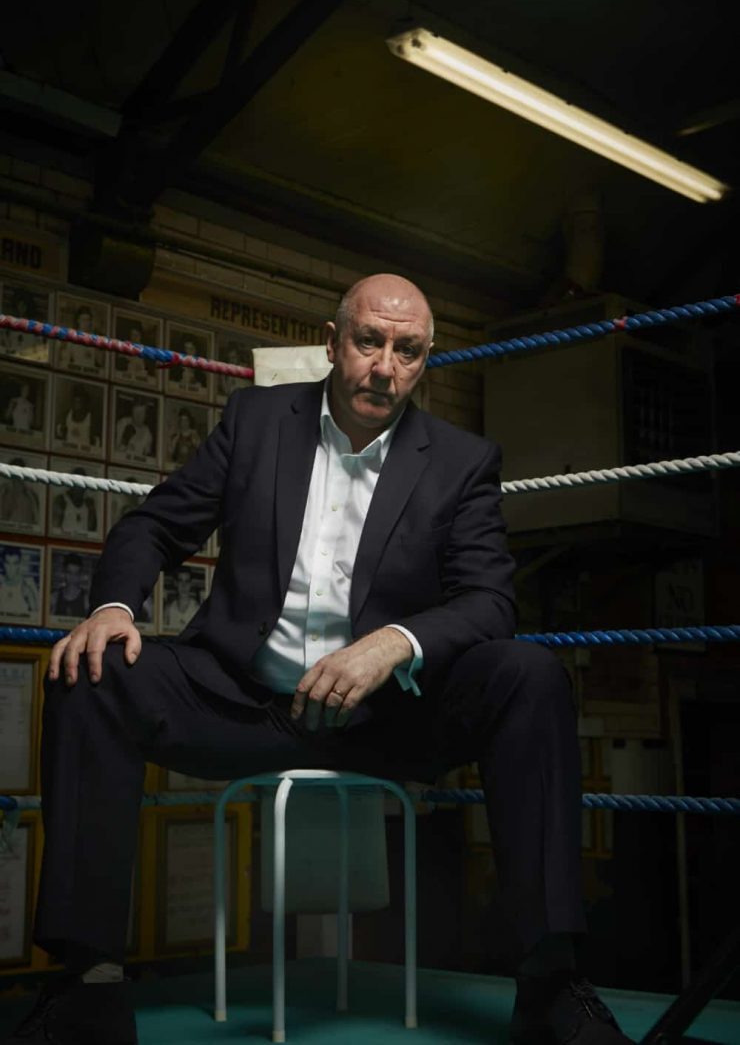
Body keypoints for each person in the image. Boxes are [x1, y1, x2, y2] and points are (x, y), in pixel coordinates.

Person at [6, 274, 632, 1045]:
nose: (385, 366)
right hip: (241, 699)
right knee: (90, 671)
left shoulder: (461, 461)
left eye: (407, 351)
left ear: (424, 361)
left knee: (530, 675)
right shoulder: (257, 419)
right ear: (333, 344)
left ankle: (551, 983)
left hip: (388, 716)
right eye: (370, 342)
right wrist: (112, 609)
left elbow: (489, 601)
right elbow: (155, 527)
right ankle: (87, 988)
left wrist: (393, 643)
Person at [51, 471, 98, 538]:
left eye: (83, 484)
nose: (80, 488)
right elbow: (54, 528)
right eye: (78, 483)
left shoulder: (88, 504)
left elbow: (92, 530)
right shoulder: (61, 500)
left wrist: (92, 511)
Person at [0, 544, 39, 620]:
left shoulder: (28, 583)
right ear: (3, 563)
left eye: (15, 563)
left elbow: (36, 617)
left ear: (19, 563)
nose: (11, 568)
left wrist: (29, 596)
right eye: (8, 563)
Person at [0, 457, 41, 529]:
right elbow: (4, 515)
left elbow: (36, 521)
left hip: (26, 533)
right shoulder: (3, 491)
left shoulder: (32, 495)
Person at [49, 552, 89, 619]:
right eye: (69, 573)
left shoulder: (86, 600)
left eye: (76, 574)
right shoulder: (54, 597)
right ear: (64, 573)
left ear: (80, 575)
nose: (72, 577)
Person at [114, 398, 154, 462]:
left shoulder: (148, 434)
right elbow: (114, 451)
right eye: (136, 412)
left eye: (141, 413)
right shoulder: (122, 423)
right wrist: (124, 442)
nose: (138, 416)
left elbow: (147, 458)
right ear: (132, 411)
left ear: (146, 415)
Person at [162, 566, 201, 631]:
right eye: (180, 581)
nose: (184, 586)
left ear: (191, 583)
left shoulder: (197, 609)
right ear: (176, 583)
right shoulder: (168, 609)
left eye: (187, 581)